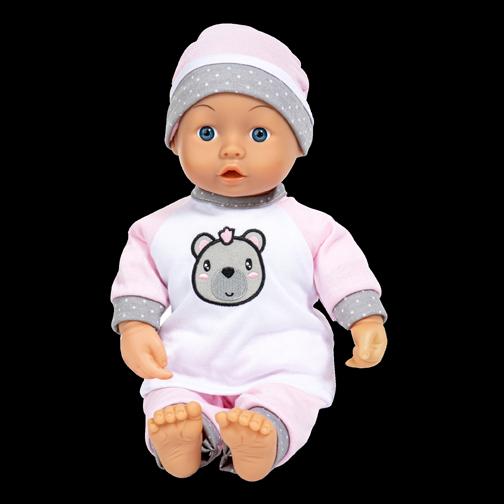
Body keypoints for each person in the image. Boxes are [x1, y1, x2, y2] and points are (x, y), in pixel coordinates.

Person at [111, 23, 388, 482]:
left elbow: (345, 274)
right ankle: (185, 436)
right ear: (175, 140)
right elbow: (138, 286)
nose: (231, 149)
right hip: (187, 364)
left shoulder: (312, 227)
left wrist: (364, 319)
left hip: (281, 364)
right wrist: (136, 327)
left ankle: (265, 437)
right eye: (206, 132)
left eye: (259, 133)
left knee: (289, 400)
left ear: (298, 143)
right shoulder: (155, 228)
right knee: (167, 399)